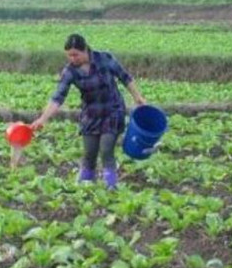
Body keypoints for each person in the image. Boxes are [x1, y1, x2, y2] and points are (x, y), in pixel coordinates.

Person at [31, 34, 146, 190]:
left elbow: (125, 78)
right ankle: (86, 188)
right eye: (69, 55)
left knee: (106, 149)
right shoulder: (70, 71)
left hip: (112, 110)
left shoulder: (104, 59)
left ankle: (111, 186)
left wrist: (138, 97)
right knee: (89, 153)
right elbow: (58, 97)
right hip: (91, 114)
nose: (72, 58)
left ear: (85, 50)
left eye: (75, 54)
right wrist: (42, 119)